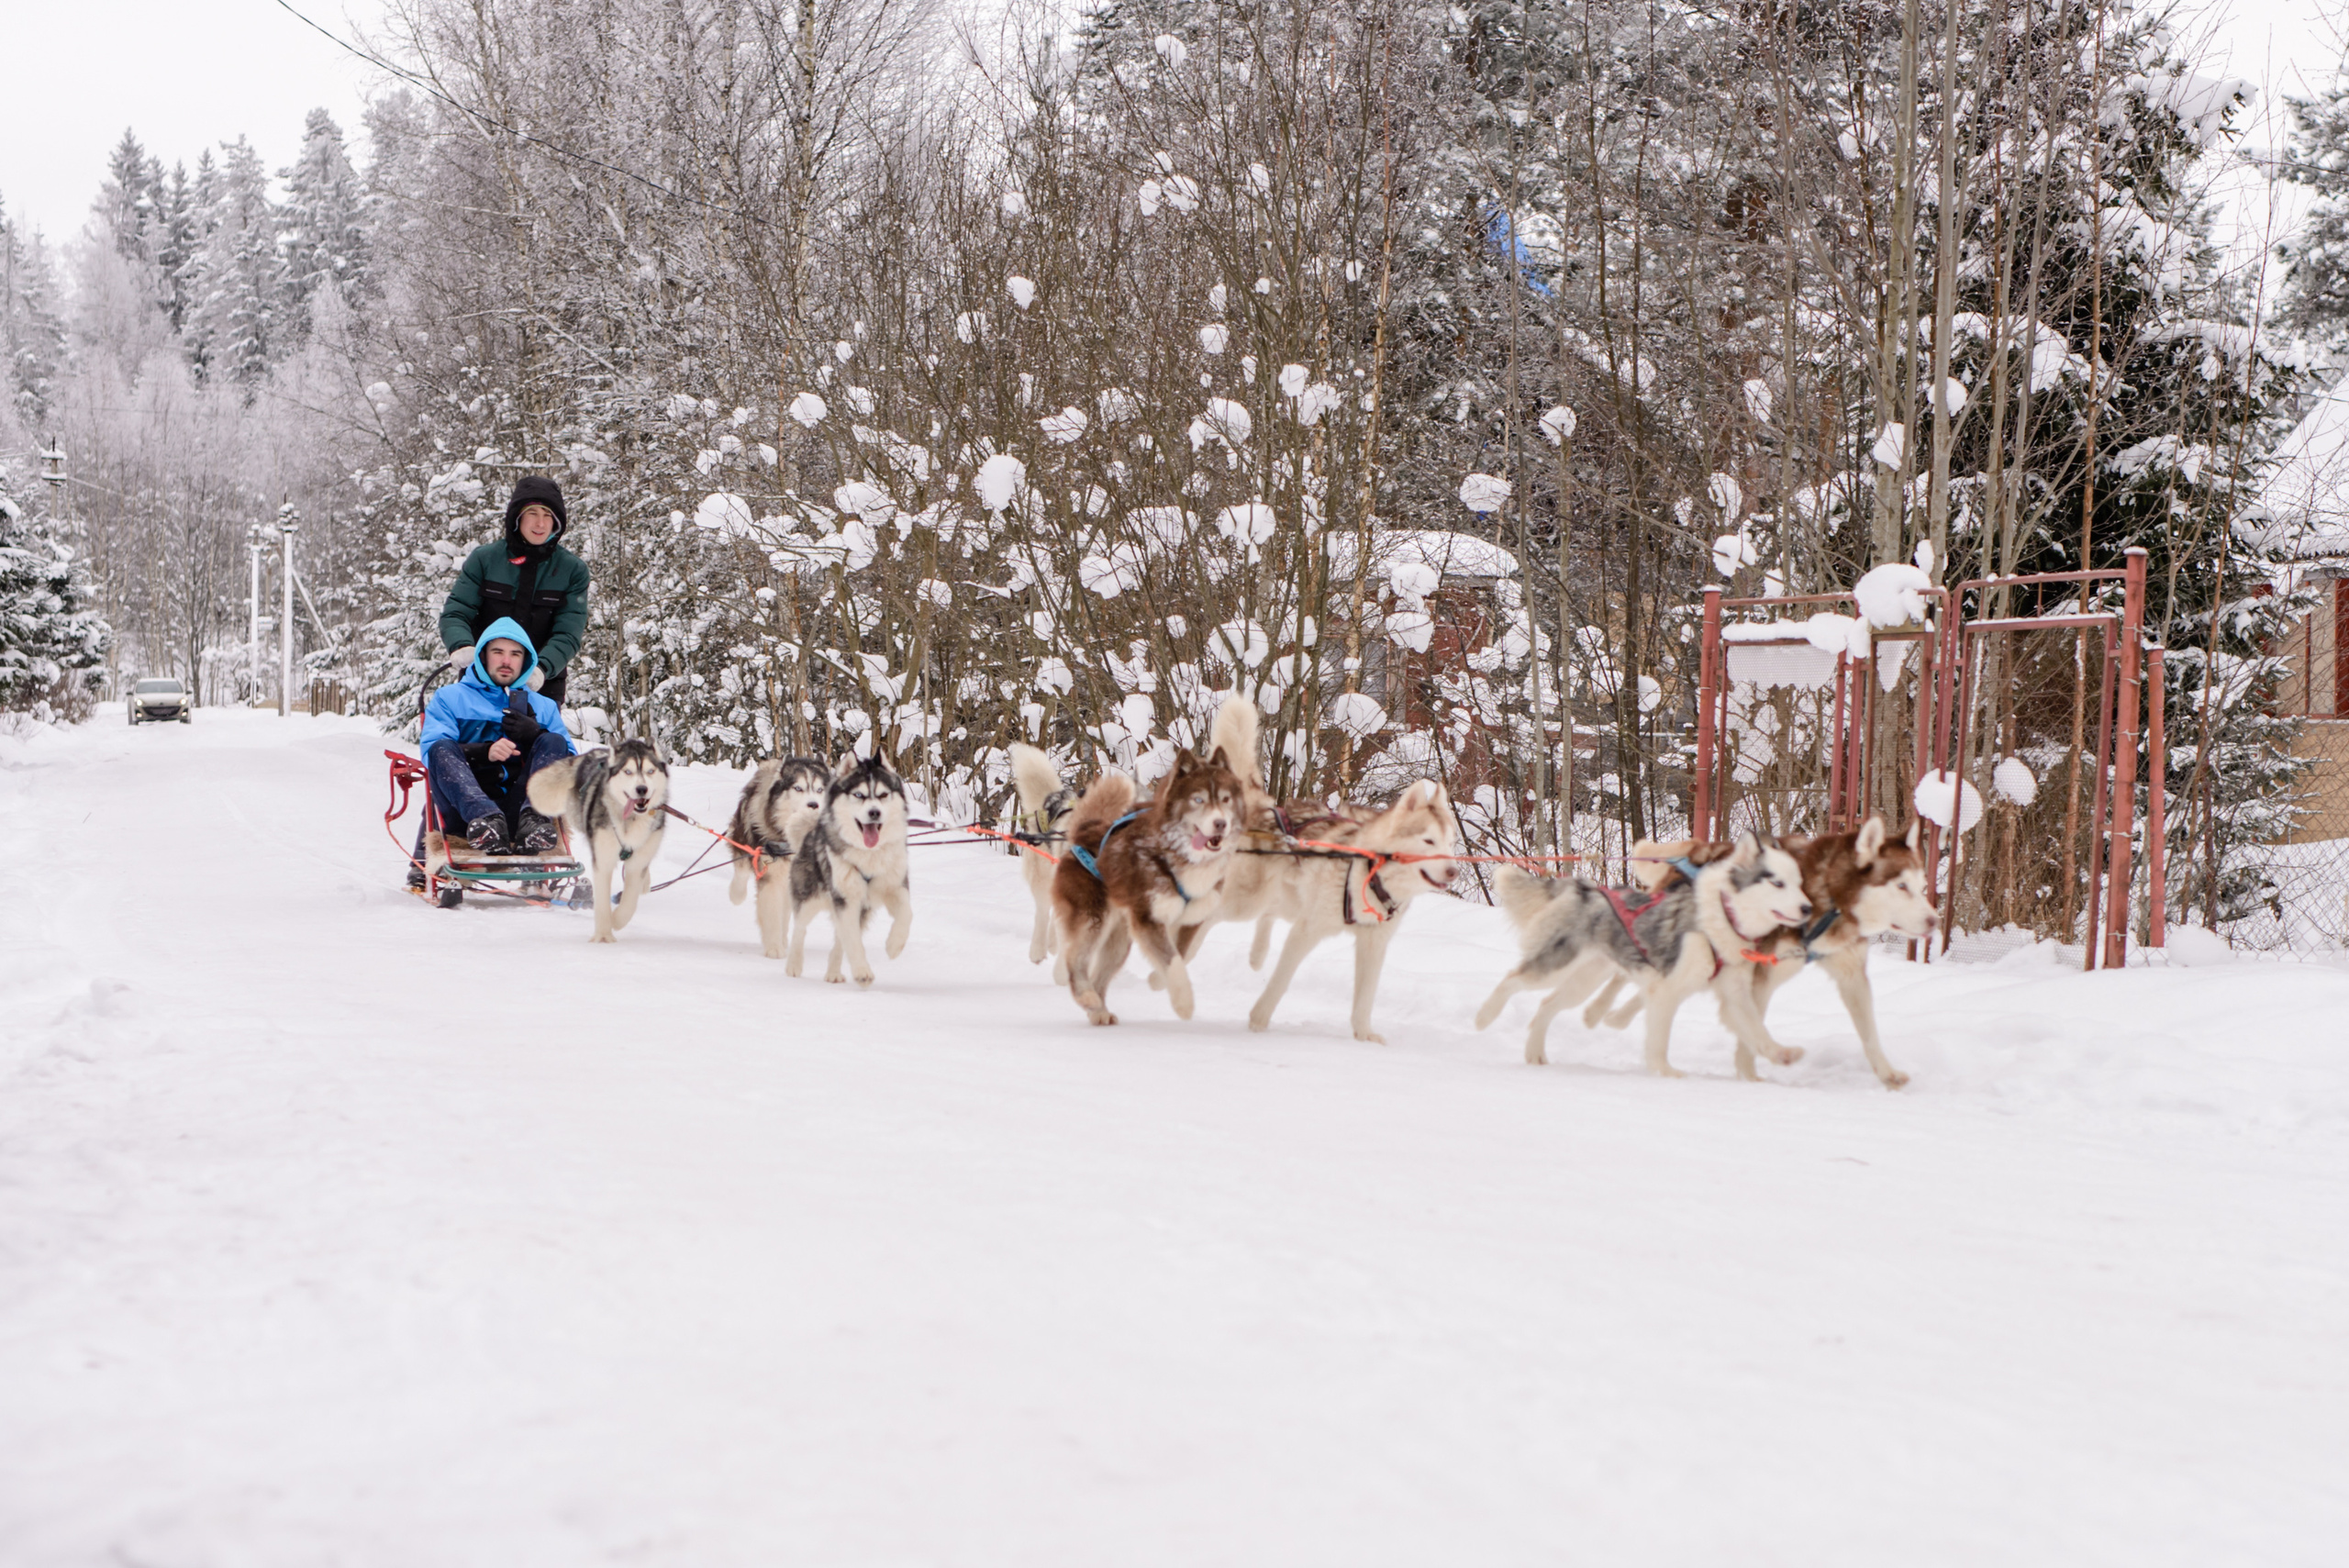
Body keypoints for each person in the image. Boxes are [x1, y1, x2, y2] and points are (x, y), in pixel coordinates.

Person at [417, 617, 575, 860]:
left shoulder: (543, 706)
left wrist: (535, 735)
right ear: (483, 656)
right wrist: (483, 752)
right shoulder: (450, 698)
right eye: (498, 652)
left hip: (522, 815)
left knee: (555, 742)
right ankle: (487, 820)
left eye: (515, 654)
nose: (506, 661)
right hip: (467, 815)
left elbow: (572, 764)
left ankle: (533, 821)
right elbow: (433, 753)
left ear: (526, 660)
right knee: (440, 747)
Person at [440, 475, 591, 705]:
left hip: (541, 685)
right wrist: (462, 645)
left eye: (547, 515)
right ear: (517, 517)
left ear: (557, 522)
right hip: (482, 680)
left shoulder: (572, 571)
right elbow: (457, 612)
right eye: (532, 513)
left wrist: (541, 668)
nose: (540, 523)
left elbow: (568, 633)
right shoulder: (485, 560)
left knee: (536, 730)